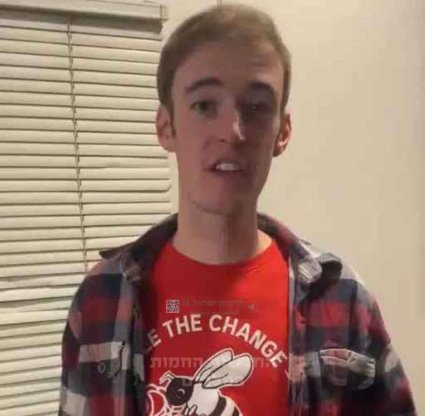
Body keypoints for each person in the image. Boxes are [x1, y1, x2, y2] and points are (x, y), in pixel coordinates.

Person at [59, 4, 417, 416]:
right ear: (166, 126)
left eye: (257, 107)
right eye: (204, 105)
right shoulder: (101, 299)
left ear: (282, 132)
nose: (232, 131)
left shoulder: (342, 298)